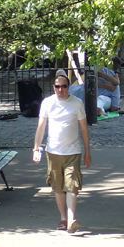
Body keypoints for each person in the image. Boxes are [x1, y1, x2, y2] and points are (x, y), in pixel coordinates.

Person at [33, 71, 92, 233]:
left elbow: (84, 129)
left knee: (72, 186)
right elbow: (41, 126)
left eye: (64, 86)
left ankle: (72, 219)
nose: (61, 90)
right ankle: (63, 218)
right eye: (57, 87)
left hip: (73, 152)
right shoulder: (47, 103)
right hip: (53, 152)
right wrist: (36, 148)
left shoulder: (77, 103)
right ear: (54, 88)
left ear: (69, 87)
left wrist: (87, 151)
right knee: (58, 187)